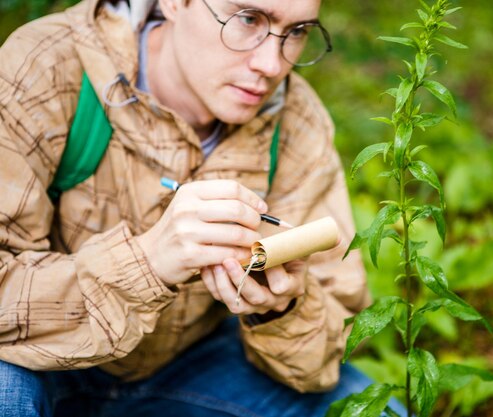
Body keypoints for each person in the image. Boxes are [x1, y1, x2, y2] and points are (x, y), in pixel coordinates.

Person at [0, 0, 399, 415]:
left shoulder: (296, 121)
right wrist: (147, 264)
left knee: (377, 410)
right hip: (40, 362)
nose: (271, 64)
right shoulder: (47, 67)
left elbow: (335, 341)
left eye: (296, 32)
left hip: (191, 366)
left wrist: (282, 308)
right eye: (248, 19)